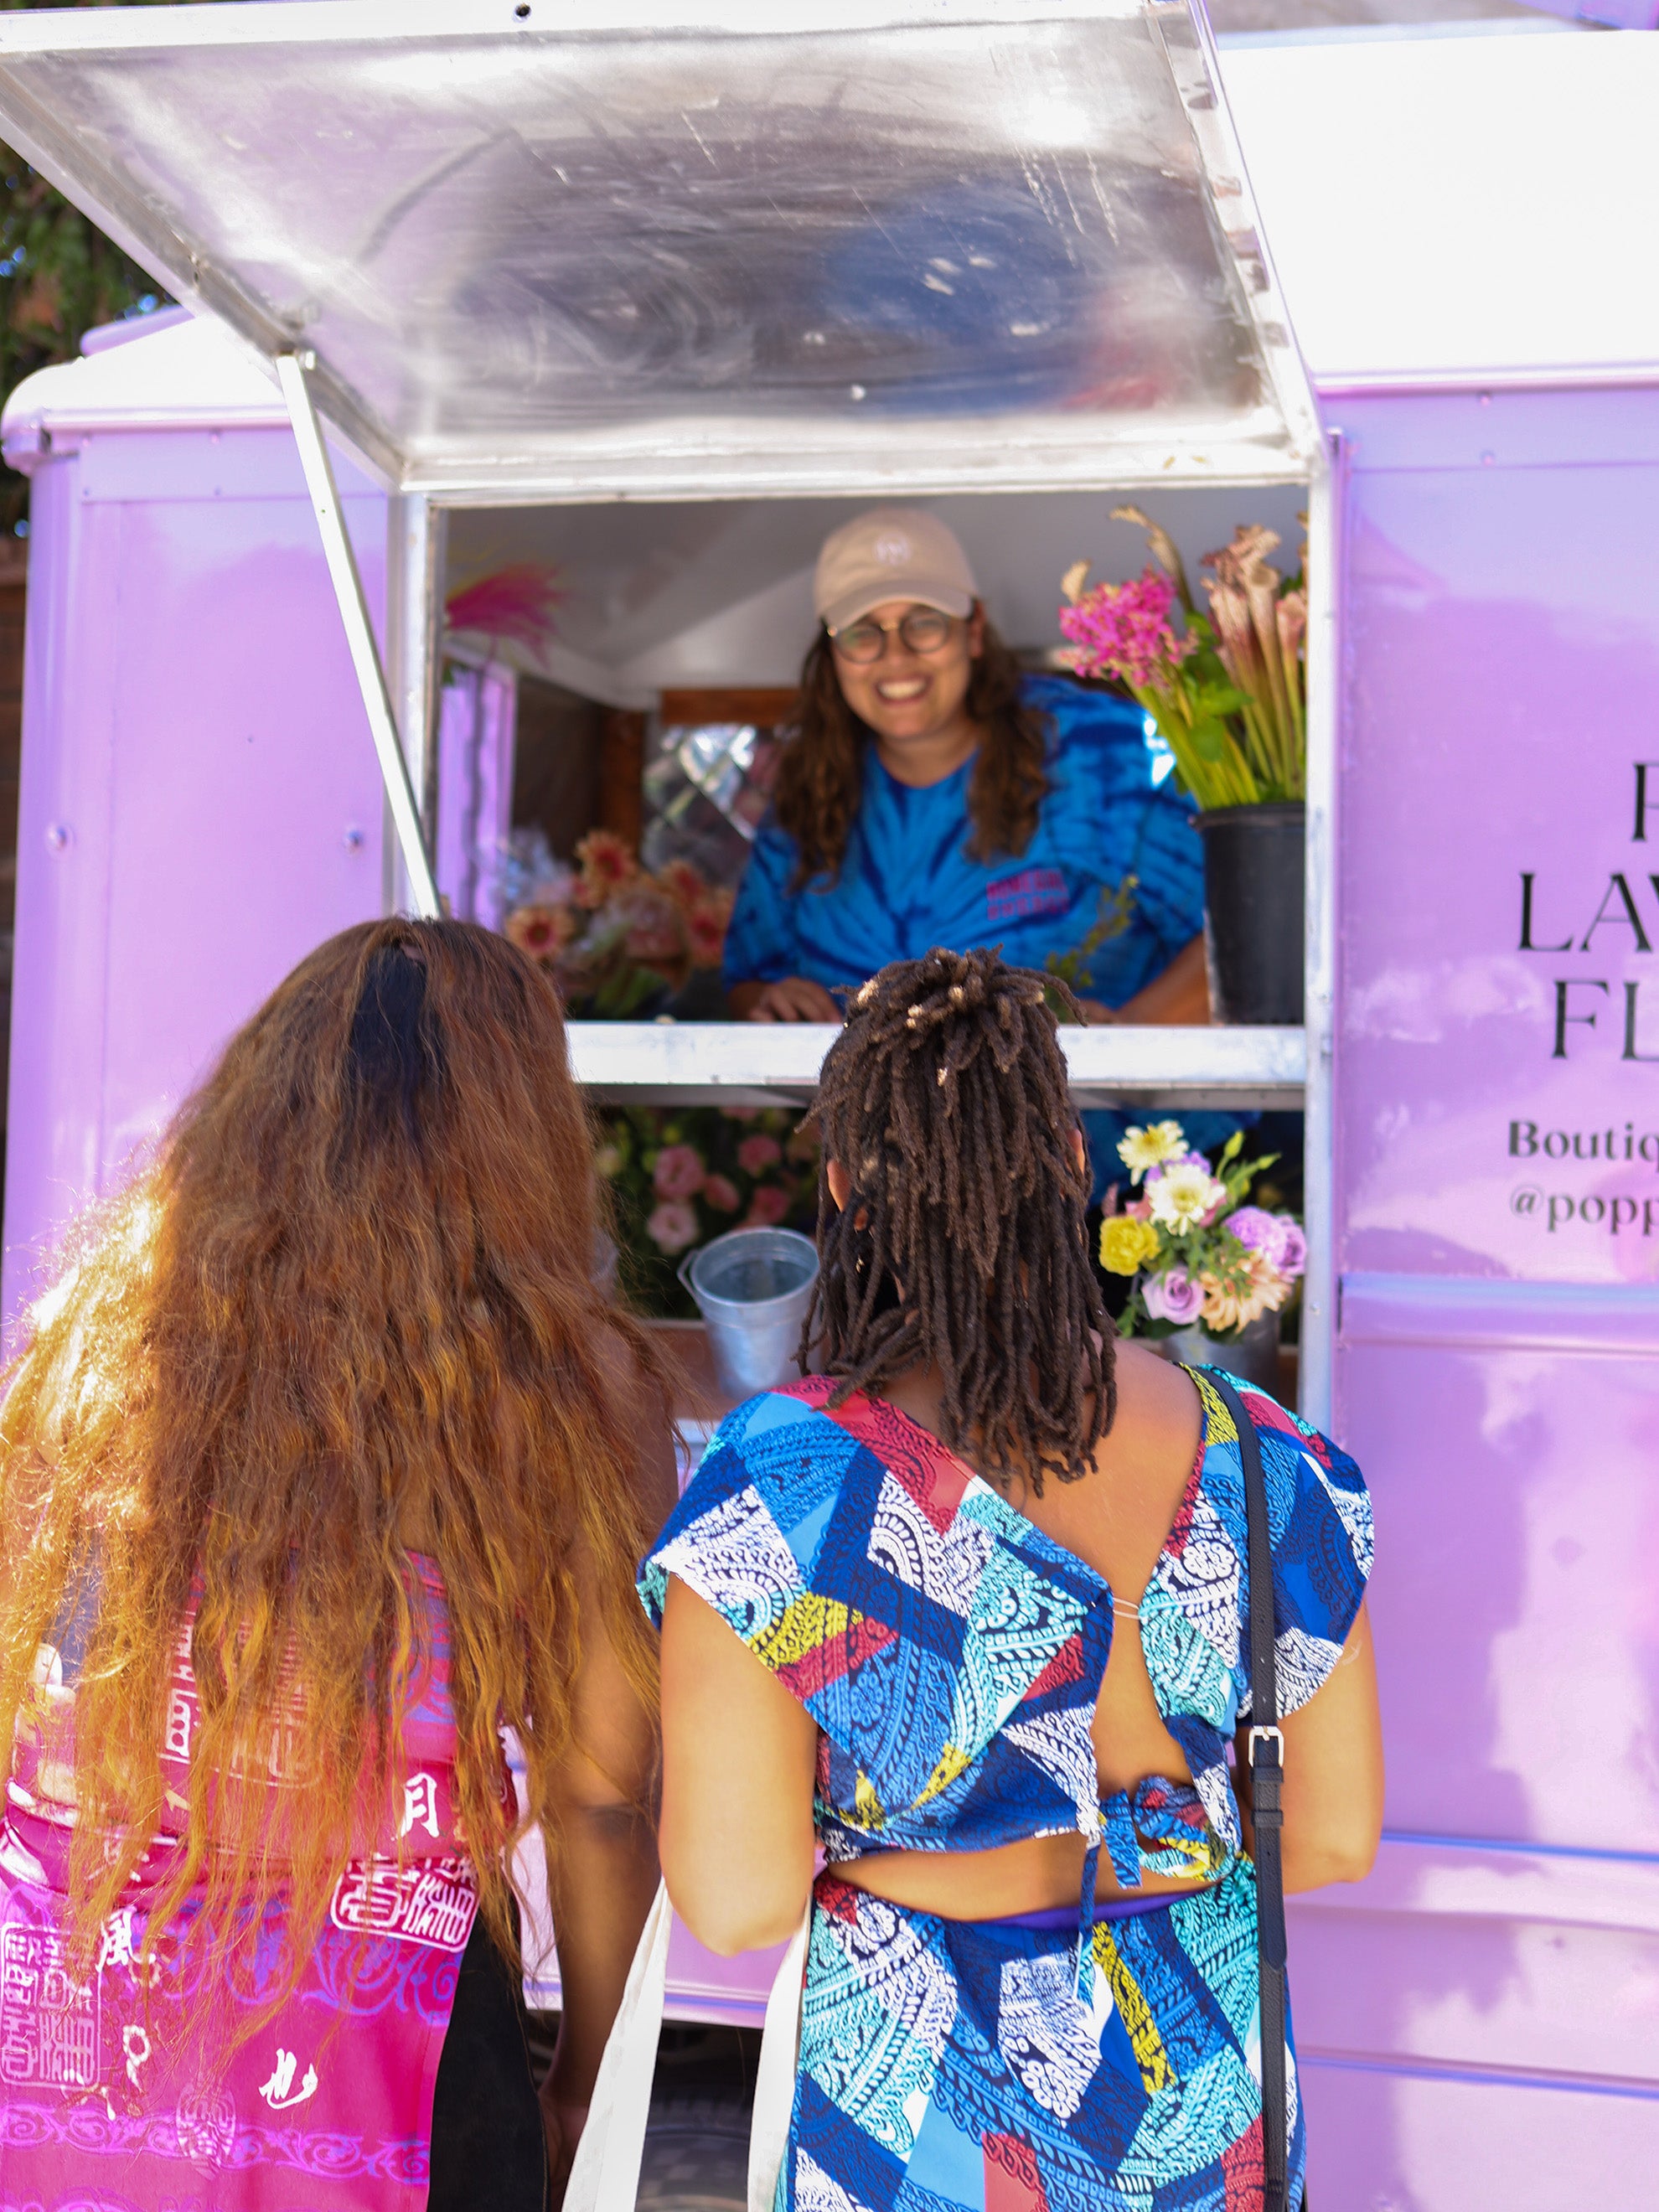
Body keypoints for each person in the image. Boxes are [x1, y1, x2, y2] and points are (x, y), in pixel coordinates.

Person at [645, 948, 1381, 2212]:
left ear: (841, 1190)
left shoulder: (787, 1485)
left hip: (925, 2122)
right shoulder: (1263, 1452)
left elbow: (737, 1900)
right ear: (1069, 1175)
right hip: (1204, 2123)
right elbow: (1331, 1832)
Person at [0, 919, 677, 2212]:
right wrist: (585, 2076)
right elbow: (600, 1795)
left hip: (59, 2018)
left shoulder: (91, 1338)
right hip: (389, 2053)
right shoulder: (567, 1383)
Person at [724, 508, 1211, 1034]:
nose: (896, 657)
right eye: (863, 633)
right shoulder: (807, 793)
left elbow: (1243, 934)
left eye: (925, 623)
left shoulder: (1107, 753)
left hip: (1121, 1118)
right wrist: (773, 1000)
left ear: (974, 630)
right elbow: (748, 981)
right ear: (832, 653)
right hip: (875, 1121)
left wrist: (1122, 1045)